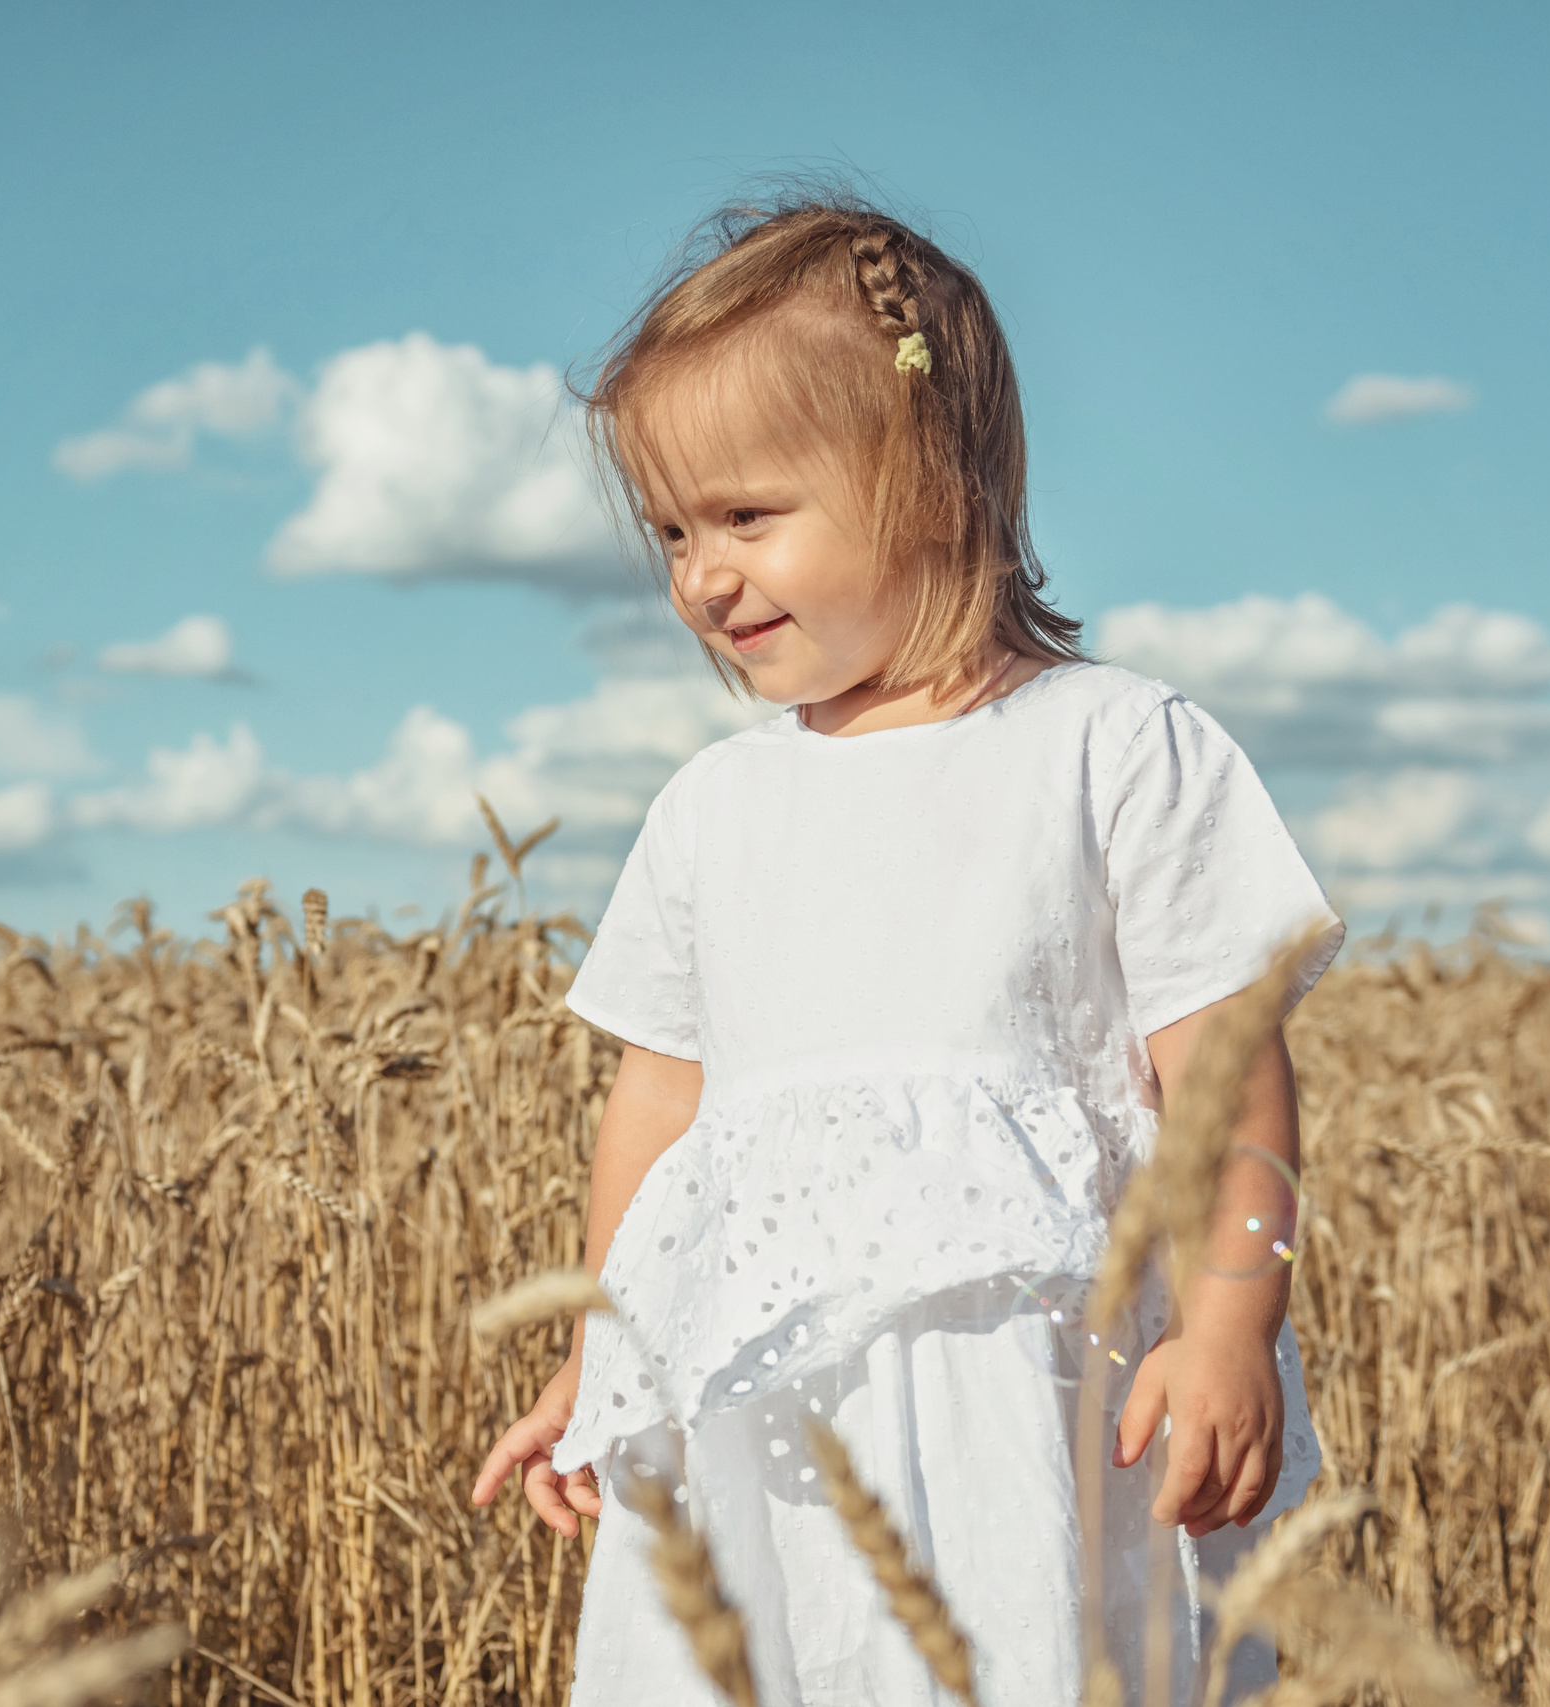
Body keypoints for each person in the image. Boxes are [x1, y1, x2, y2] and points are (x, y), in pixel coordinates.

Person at [468, 189, 1342, 1707]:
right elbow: (661, 1114)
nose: (699, 575)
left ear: (934, 476)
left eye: (747, 517)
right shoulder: (714, 809)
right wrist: (599, 1359)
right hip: (759, 1408)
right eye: (672, 530)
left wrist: (1227, 1325)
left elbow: (1223, 1070)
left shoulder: (1109, 748)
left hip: (1041, 1399)